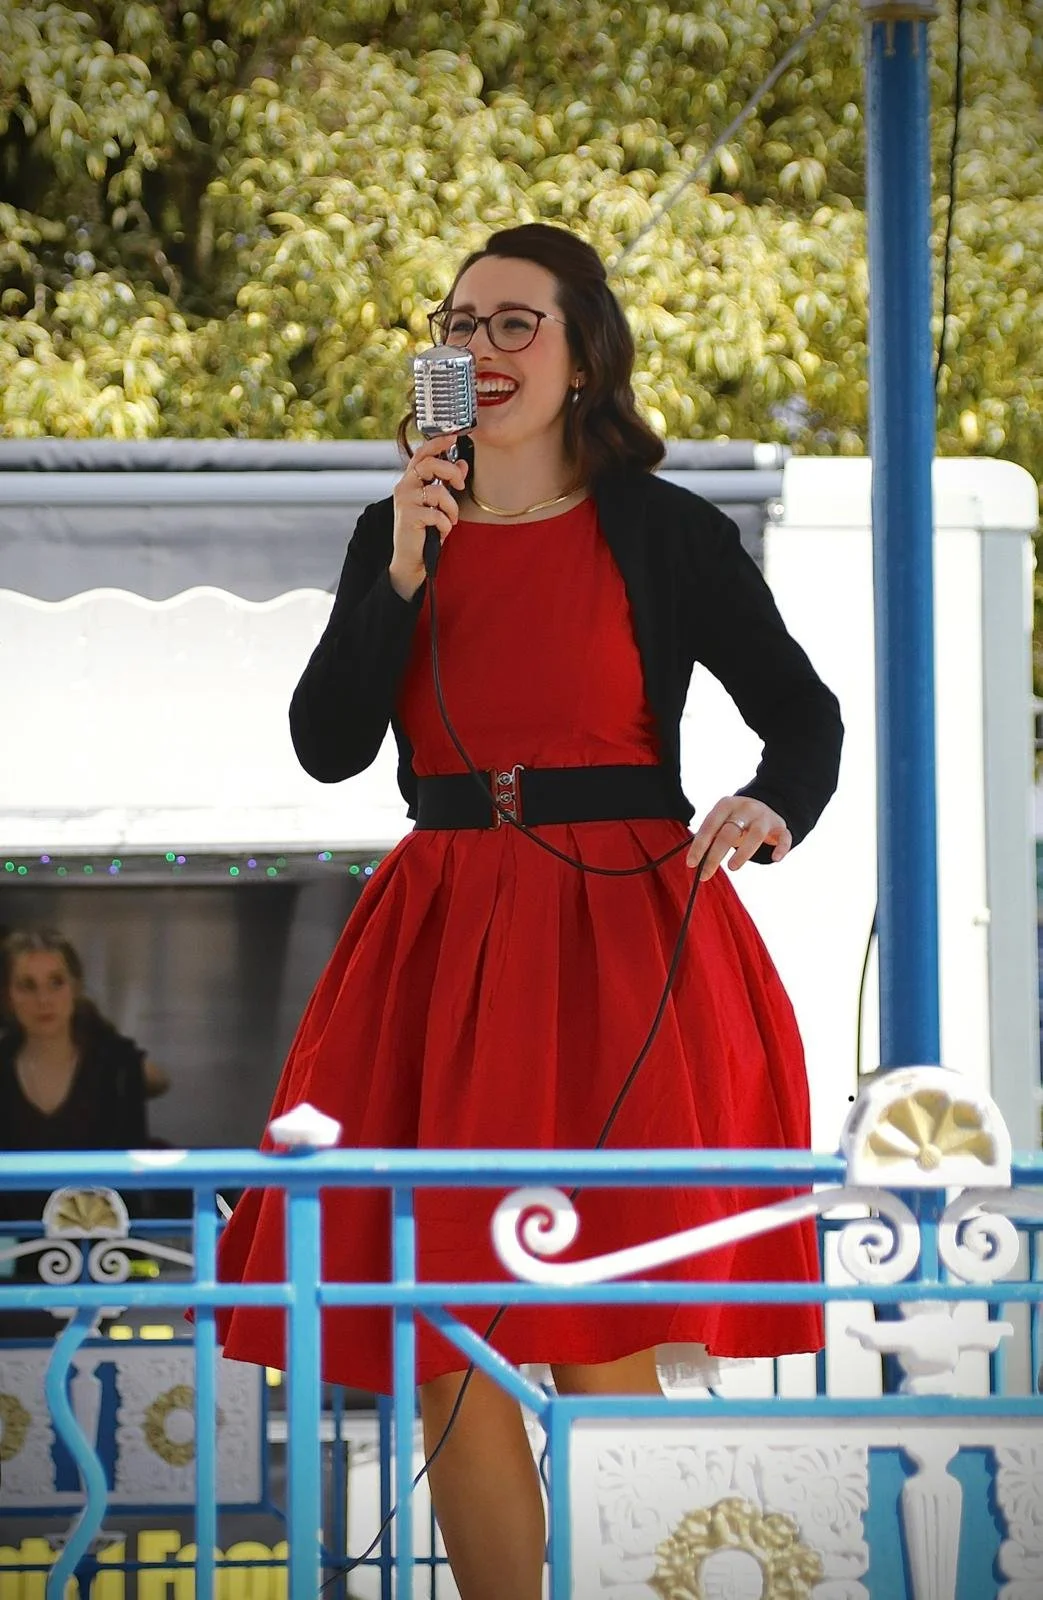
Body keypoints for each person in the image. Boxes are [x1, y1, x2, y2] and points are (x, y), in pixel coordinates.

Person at [214, 223, 843, 1599]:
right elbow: (328, 743)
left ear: (580, 359)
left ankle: (648, 1580)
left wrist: (767, 805)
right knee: (440, 1330)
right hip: (436, 939)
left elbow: (800, 716)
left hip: (612, 940)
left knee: (596, 1307)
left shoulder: (664, 531)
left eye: (516, 325)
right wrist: (397, 573)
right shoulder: (396, 529)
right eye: (461, 325)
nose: (483, 349)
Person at [0, 927, 170, 1237]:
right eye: (27, 985)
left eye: (56, 982)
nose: (43, 999)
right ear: (8, 996)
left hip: (112, 1256)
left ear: (75, 987)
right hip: (12, 1260)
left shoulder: (116, 1066)